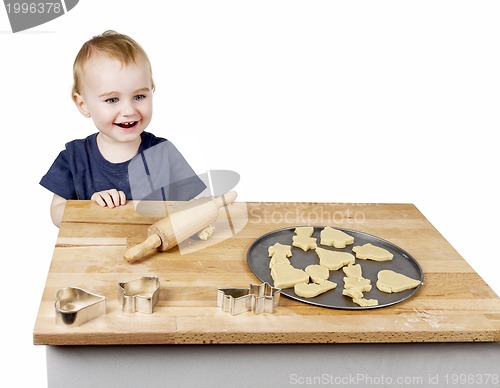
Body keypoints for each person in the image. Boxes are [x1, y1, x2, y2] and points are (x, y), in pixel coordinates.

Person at [40, 30, 206, 227]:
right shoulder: (74, 158)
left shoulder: (163, 153)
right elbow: (56, 212)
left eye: (139, 97)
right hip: (94, 254)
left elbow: (195, 206)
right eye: (112, 99)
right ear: (83, 104)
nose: (128, 110)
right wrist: (89, 208)